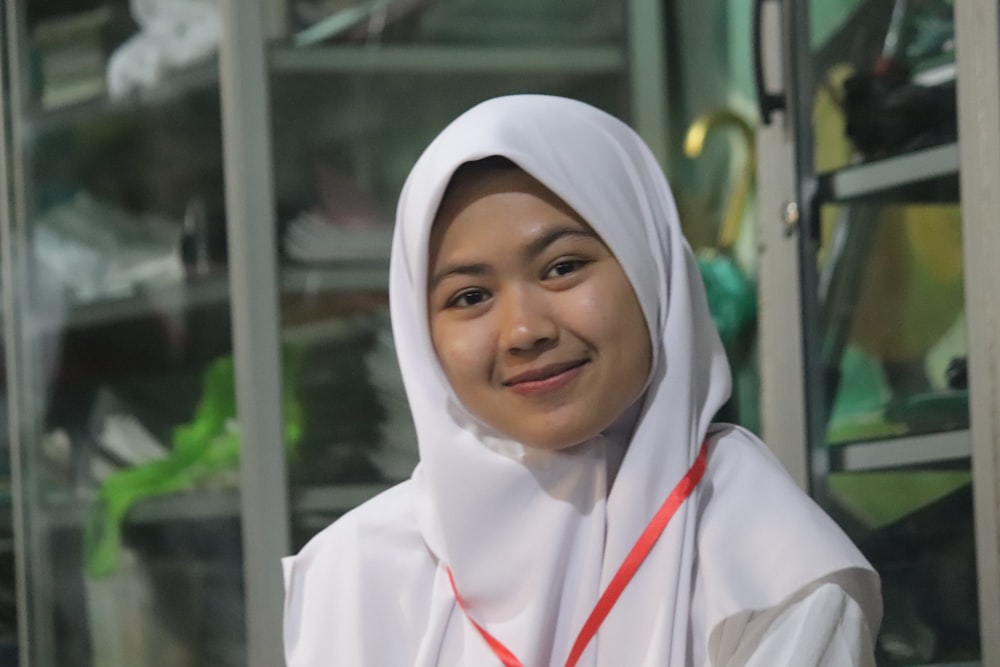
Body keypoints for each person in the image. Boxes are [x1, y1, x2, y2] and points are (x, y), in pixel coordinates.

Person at [282, 95, 882, 666]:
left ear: (651, 266)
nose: (523, 331)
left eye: (562, 267)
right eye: (469, 296)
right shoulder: (354, 576)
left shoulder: (769, 564)